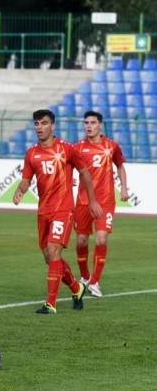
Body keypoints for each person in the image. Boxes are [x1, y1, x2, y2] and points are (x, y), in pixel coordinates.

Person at [13, 109, 103, 314]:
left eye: (44, 123)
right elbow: (26, 181)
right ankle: (76, 287)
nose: (39, 127)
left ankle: (50, 303)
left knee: (54, 251)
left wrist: (92, 201)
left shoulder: (66, 149)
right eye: (37, 124)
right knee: (48, 256)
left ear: (52, 126)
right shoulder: (32, 153)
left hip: (63, 209)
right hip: (43, 211)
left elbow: (85, 173)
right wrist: (19, 190)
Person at [73, 110, 129, 297]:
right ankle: (86, 276)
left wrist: (124, 187)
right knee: (81, 240)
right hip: (83, 201)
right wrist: (68, 179)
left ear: (100, 125)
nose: (89, 126)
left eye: (93, 122)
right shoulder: (78, 148)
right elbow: (66, 166)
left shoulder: (111, 146)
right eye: (86, 123)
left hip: (105, 201)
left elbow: (120, 165)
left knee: (102, 238)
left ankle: (95, 282)